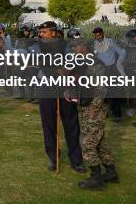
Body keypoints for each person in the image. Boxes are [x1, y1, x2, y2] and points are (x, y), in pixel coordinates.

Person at [29, 21, 85, 173]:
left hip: (64, 87)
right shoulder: (36, 46)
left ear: (54, 32)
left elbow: (71, 61)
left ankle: (76, 160)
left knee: (71, 124)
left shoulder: (64, 45)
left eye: (44, 31)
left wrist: (65, 69)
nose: (41, 34)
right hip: (45, 87)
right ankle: (54, 158)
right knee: (49, 125)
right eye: (40, 32)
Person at [69, 40, 119, 189]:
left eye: (76, 46)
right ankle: (111, 173)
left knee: (87, 144)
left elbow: (102, 87)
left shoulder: (96, 64)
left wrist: (95, 107)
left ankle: (96, 179)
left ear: (84, 47)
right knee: (100, 142)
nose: (73, 49)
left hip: (93, 107)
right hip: (86, 105)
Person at [92, 27, 124, 122]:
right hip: (101, 71)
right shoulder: (94, 44)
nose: (97, 37)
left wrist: (119, 63)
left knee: (115, 91)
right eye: (96, 35)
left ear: (103, 33)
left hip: (112, 69)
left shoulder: (110, 42)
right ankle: (105, 113)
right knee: (103, 92)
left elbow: (121, 52)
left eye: (99, 34)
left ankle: (117, 114)